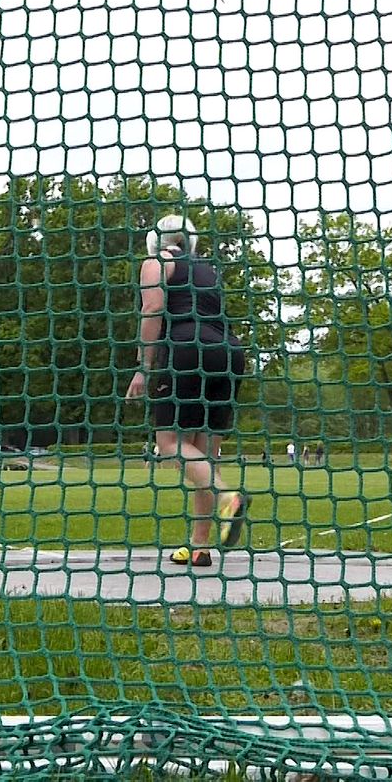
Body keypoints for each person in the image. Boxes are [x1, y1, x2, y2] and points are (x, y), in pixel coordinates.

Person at [125, 214, 249, 568]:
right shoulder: (208, 270)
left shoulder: (157, 261)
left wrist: (143, 367)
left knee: (168, 443)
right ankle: (199, 547)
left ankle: (228, 498)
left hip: (187, 350)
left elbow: (153, 307)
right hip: (228, 354)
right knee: (204, 456)